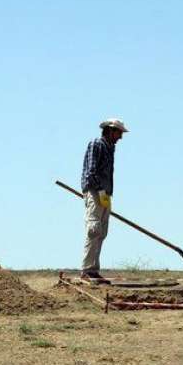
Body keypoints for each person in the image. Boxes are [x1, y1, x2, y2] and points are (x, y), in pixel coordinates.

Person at [80, 118, 129, 280]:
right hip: (95, 192)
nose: (120, 137)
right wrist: (100, 190)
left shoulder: (110, 148)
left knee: (102, 231)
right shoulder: (97, 144)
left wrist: (105, 193)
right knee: (94, 229)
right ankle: (87, 269)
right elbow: (91, 172)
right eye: (118, 133)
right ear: (110, 130)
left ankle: (93, 269)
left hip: (105, 193)